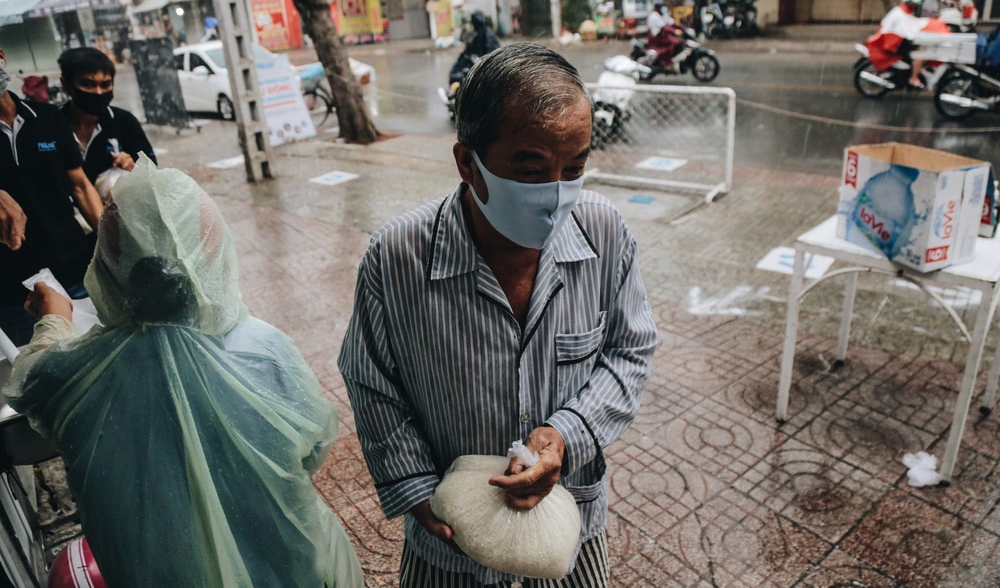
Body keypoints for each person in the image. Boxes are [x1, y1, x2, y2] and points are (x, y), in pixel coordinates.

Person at [338, 43, 657, 586]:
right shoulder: (397, 258)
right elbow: (372, 383)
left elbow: (630, 350)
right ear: (469, 162)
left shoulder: (604, 234)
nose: (558, 194)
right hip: (450, 542)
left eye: (575, 167)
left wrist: (566, 434)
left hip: (567, 531)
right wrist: (414, 487)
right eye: (530, 169)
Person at [4, 157, 364, 588]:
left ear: (108, 259)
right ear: (210, 251)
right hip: (291, 569)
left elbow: (27, 383)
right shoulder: (264, 350)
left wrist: (52, 319)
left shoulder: (79, 372)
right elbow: (315, 447)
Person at [0, 45, 102, 347]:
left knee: (98, 363)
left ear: (2, 56)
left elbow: (80, 186)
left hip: (75, 274)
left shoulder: (47, 117)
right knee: (38, 378)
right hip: (14, 293)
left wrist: (114, 240)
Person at [58, 47, 156, 193]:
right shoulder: (51, 125)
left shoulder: (124, 121)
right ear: (66, 84)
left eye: (105, 85)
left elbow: (151, 168)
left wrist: (133, 167)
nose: (98, 92)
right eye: (88, 84)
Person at [868, 0, 929, 89]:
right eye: (915, 4)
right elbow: (908, 32)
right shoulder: (900, 14)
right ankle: (913, 78)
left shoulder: (902, 11)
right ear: (910, 3)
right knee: (919, 54)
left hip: (896, 41)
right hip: (893, 43)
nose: (916, 6)